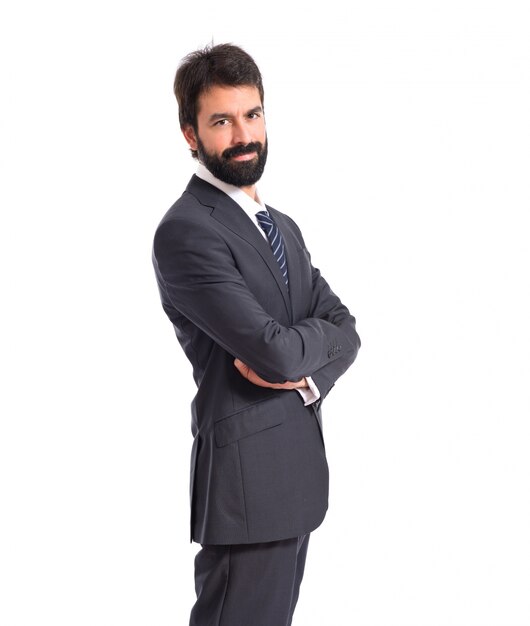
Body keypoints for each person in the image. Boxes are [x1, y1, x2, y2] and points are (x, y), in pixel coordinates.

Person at [152, 43, 361, 626]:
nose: (244, 134)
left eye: (253, 115)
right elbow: (273, 350)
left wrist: (306, 373)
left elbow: (347, 330)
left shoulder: (283, 228)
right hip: (247, 492)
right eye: (222, 120)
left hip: (292, 480)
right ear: (191, 134)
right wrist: (300, 348)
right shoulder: (187, 231)